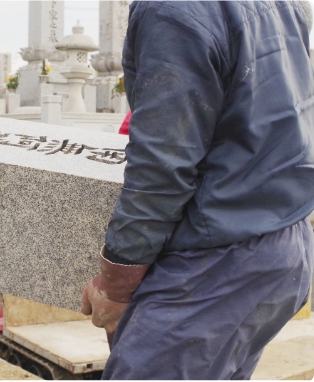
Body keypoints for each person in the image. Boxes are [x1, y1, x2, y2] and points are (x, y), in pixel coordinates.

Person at [81, 1, 314, 379]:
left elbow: (163, 160)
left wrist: (117, 285)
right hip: (284, 243)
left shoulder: (172, 9)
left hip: (216, 262)